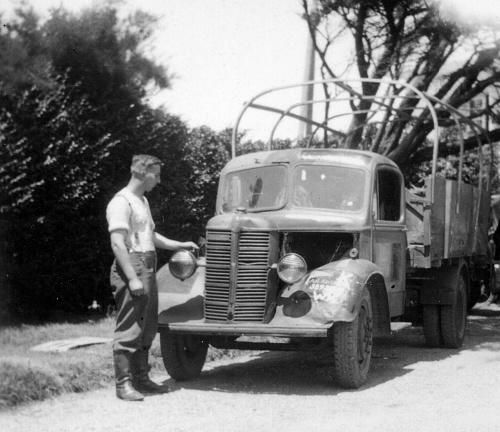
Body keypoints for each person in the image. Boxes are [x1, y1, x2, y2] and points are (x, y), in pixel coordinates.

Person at [106, 154, 198, 401]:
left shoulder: (141, 201)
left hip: (148, 265)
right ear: (140, 173)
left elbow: (151, 236)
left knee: (147, 328)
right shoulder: (120, 202)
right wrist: (133, 279)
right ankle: (123, 385)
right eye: (155, 174)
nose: (158, 180)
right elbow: (117, 244)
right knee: (129, 327)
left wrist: (180, 244)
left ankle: (142, 380)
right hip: (132, 267)